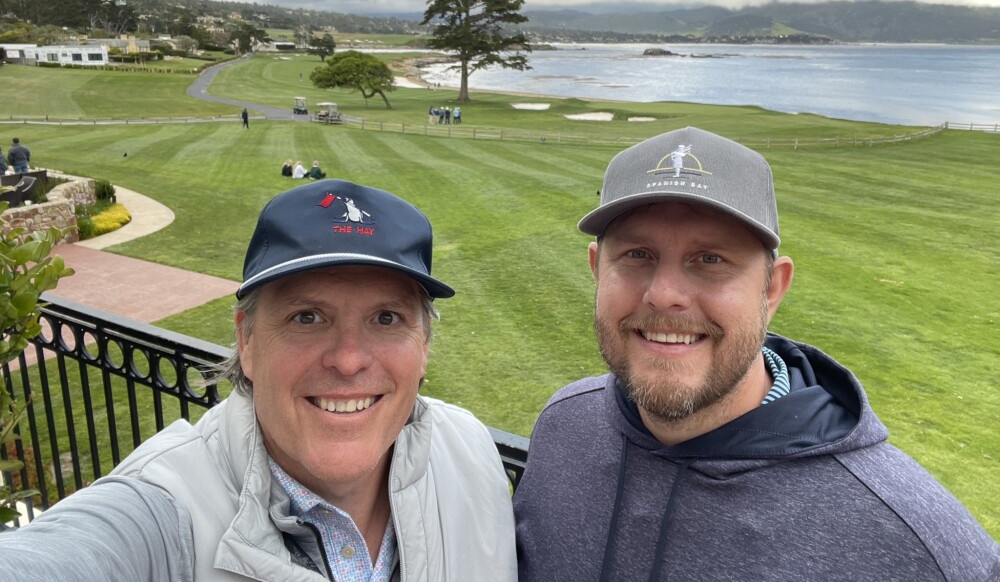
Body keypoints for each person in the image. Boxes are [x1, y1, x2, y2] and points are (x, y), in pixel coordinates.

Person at [514, 127, 998, 581]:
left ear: (773, 289)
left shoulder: (916, 541)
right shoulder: (564, 425)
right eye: (637, 255)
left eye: (711, 259)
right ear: (598, 271)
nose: (664, 295)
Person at [0, 179, 517, 580]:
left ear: (424, 343)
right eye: (307, 317)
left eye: (386, 318)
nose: (349, 359)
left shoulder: (470, 449)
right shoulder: (163, 514)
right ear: (246, 341)